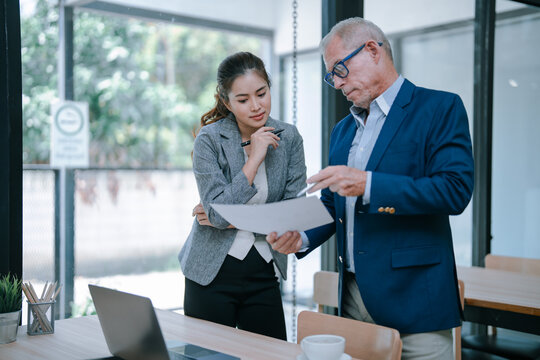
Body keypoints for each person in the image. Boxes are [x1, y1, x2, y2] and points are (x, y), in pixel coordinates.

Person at [266, 18, 474, 359]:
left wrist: (369, 185)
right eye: (331, 75)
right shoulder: (343, 130)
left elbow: (455, 190)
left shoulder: (439, 108)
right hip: (353, 298)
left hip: (415, 302)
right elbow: (335, 205)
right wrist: (300, 237)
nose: (336, 83)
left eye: (340, 70)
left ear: (373, 50)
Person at [178, 52, 306, 340]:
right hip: (209, 273)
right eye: (243, 99)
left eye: (261, 93)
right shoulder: (209, 139)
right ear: (227, 102)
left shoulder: (290, 137)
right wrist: (255, 157)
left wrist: (230, 219)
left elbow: (292, 211)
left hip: (265, 269)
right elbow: (219, 215)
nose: (256, 106)